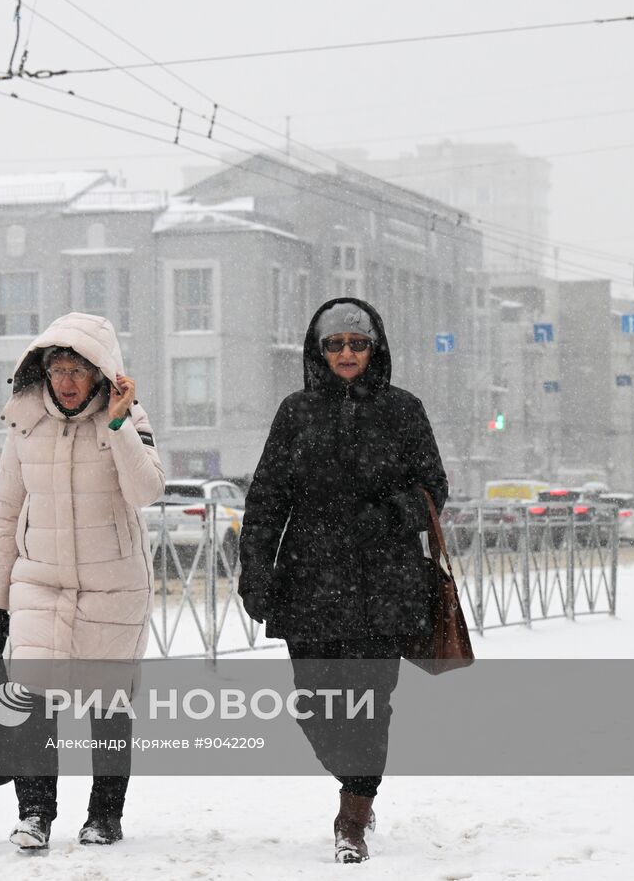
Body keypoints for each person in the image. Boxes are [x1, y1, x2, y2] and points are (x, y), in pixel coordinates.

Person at [238, 297, 447, 864]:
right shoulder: (295, 412)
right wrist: (254, 569)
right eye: (336, 344)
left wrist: (390, 514)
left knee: (370, 702)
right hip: (309, 584)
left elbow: (434, 489)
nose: (347, 353)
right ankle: (355, 777)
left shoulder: (403, 410)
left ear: (373, 349)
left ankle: (354, 811)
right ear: (319, 351)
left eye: (357, 344)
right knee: (316, 706)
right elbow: (266, 499)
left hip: (384, 584)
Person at [0, 311, 165, 850]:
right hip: (40, 582)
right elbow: (7, 517)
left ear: (101, 374)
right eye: (58, 368)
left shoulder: (127, 417)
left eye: (79, 369)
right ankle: (35, 813)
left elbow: (146, 491)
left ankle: (105, 813)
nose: (67, 380)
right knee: (30, 699)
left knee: (107, 704)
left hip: (114, 583)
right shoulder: (23, 422)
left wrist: (120, 423)